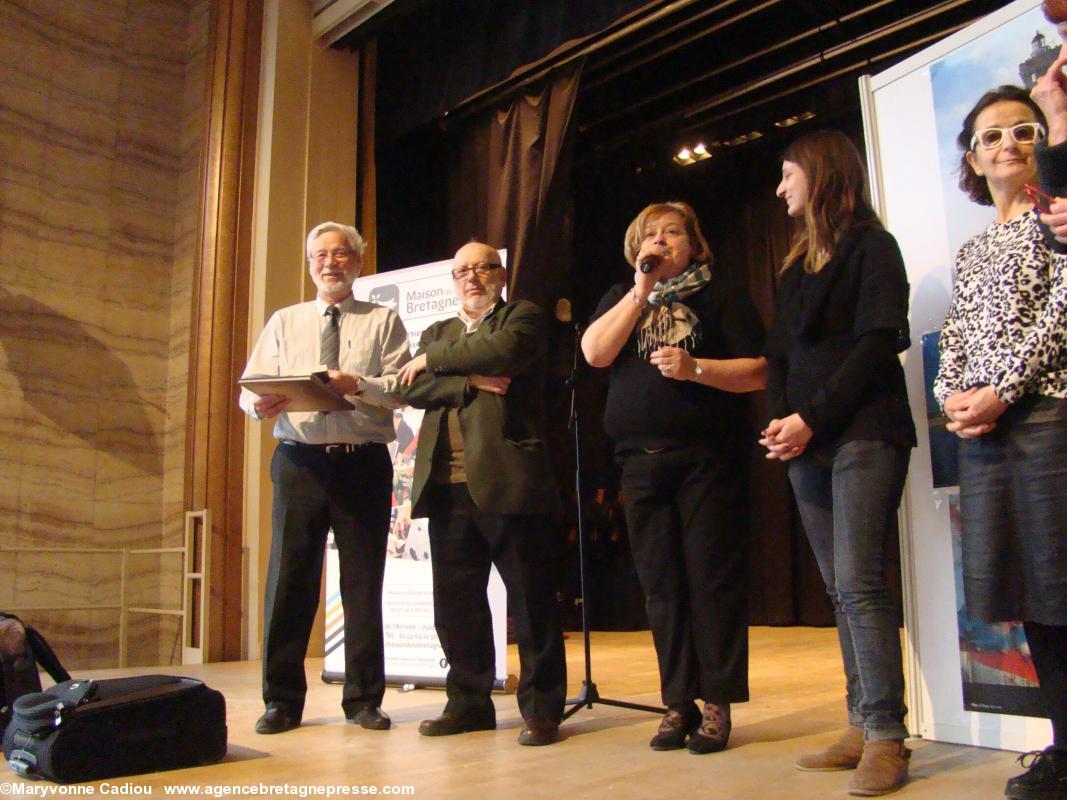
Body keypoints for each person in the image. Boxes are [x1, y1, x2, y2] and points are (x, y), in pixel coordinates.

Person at [760, 130, 916, 796]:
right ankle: (858, 723)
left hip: (865, 431)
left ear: (820, 175)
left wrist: (811, 418)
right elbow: (779, 357)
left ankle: (885, 736)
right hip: (807, 443)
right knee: (838, 590)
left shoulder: (873, 249)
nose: (779, 188)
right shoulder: (795, 268)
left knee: (859, 584)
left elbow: (879, 344)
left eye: (788, 174)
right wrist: (778, 424)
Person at [581, 201, 766, 754]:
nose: (660, 241)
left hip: (707, 460)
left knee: (711, 582)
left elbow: (760, 371)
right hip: (638, 463)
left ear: (694, 243)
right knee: (661, 587)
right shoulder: (625, 297)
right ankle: (677, 701)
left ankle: (717, 704)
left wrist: (697, 369)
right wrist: (640, 292)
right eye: (650, 235)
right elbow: (594, 352)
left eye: (672, 232)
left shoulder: (721, 295)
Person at [936, 86, 1067, 800]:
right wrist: (950, 401)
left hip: (1047, 418)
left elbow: (1061, 316)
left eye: (1023, 129)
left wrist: (1002, 389)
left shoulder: (1058, 221)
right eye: (990, 135)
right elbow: (953, 338)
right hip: (985, 435)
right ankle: (1062, 747)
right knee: (1026, 593)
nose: (1007, 143)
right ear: (972, 156)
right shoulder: (974, 247)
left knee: (1062, 589)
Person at [239, 221, 411, 734]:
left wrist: (355, 384)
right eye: (321, 255)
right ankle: (282, 701)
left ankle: (363, 700)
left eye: (341, 254)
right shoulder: (284, 321)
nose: (330, 263)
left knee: (362, 583)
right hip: (300, 461)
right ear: (310, 263)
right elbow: (249, 389)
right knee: (289, 581)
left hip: (362, 463)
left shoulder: (384, 320)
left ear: (358, 263)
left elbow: (400, 391)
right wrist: (258, 404)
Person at [397, 241, 567, 747]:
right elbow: (410, 389)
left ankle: (541, 710)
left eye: (483, 268)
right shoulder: (439, 331)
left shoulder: (523, 317)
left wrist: (434, 362)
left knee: (532, 601)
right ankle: (468, 703)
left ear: (501, 273)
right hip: (446, 488)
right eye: (463, 271)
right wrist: (466, 379)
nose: (472, 278)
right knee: (456, 606)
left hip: (511, 482)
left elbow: (503, 353)